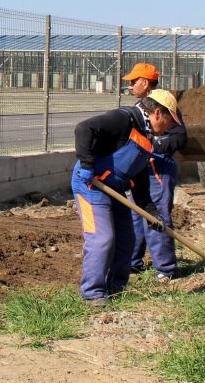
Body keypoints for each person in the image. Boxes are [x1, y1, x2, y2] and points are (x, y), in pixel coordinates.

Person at [70, 92, 177, 306]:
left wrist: (149, 209)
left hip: (116, 189)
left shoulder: (146, 138)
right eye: (169, 121)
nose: (170, 127)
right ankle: (93, 293)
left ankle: (116, 288)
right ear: (158, 113)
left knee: (126, 240)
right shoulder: (124, 119)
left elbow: (138, 177)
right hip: (91, 185)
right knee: (102, 238)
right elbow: (84, 128)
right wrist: (87, 164)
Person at [121, 65, 189, 281]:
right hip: (140, 167)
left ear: (146, 82)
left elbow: (180, 138)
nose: (130, 86)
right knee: (136, 214)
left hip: (157, 168)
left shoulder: (164, 106)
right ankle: (133, 262)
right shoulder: (140, 107)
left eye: (134, 81)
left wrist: (151, 144)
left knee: (156, 216)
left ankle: (167, 269)